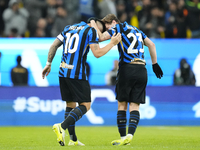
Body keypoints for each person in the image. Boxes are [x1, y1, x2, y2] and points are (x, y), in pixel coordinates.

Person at [42, 18, 121, 146]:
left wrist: (48, 63)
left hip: (63, 71)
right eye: (100, 29)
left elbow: (54, 45)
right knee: (86, 105)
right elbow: (97, 53)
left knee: (70, 105)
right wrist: (112, 43)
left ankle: (72, 140)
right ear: (96, 24)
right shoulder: (91, 30)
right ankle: (61, 126)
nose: (99, 33)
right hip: (77, 73)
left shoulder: (69, 28)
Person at [90, 14, 163, 146]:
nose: (108, 30)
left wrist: (93, 23)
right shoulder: (137, 30)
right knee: (135, 105)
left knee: (122, 105)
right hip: (142, 69)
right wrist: (155, 63)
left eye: (107, 27)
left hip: (127, 69)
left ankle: (124, 138)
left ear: (113, 22)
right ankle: (130, 135)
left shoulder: (118, 28)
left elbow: (100, 38)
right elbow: (151, 44)